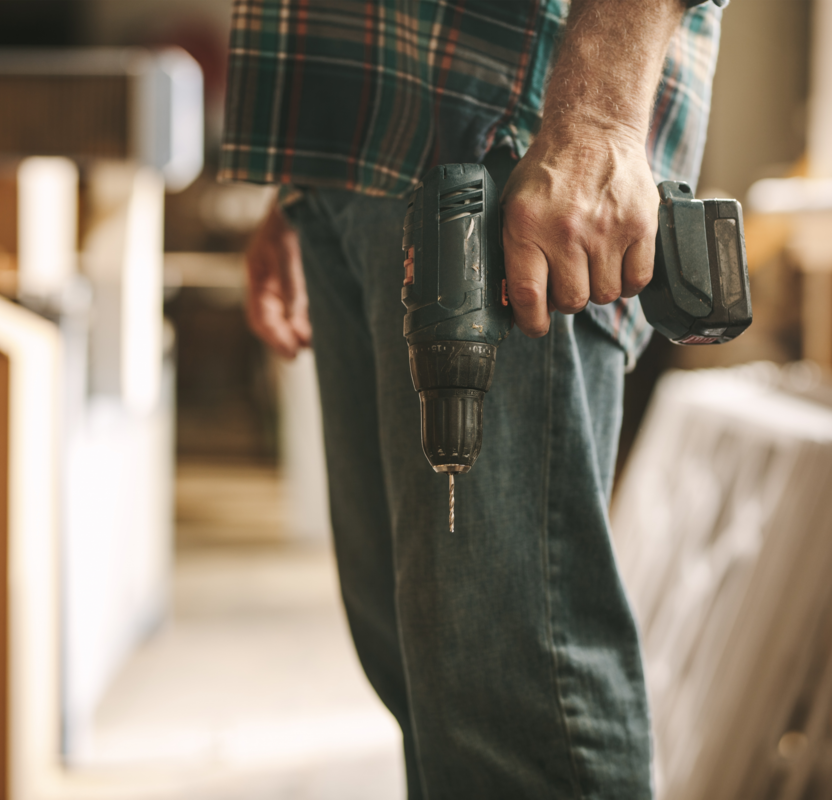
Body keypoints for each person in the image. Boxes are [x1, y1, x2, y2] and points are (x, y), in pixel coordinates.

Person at [220, 0, 725, 796]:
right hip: (351, 143)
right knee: (431, 688)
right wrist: (304, 185)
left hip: (513, 146)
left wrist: (599, 114)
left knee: (515, 716)